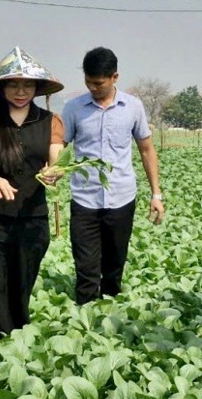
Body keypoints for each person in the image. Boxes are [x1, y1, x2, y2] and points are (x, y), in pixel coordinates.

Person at [0, 47, 65, 337]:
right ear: (0, 86)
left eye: (28, 85)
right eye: (13, 84)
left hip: (32, 216)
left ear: (37, 87)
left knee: (22, 282)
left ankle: (18, 339)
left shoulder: (50, 121)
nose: (21, 91)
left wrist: (53, 173)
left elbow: (58, 160)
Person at [61, 47, 164, 305]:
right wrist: (52, 170)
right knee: (85, 267)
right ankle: (84, 316)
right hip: (84, 199)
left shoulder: (133, 107)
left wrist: (156, 194)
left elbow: (146, 149)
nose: (92, 87)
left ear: (114, 77)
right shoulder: (74, 108)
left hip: (121, 197)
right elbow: (59, 147)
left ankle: (109, 315)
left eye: (98, 83)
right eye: (88, 81)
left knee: (114, 265)